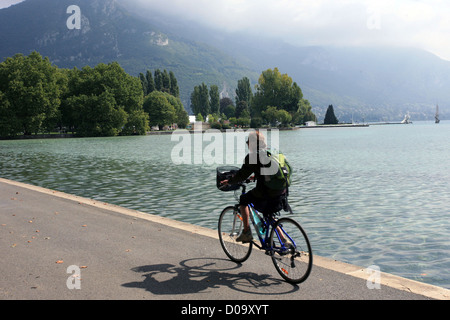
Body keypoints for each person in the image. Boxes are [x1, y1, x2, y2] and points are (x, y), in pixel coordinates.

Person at [220, 131, 287, 243]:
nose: (247, 145)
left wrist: (229, 181)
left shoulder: (252, 156)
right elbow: (268, 172)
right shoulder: (272, 152)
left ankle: (246, 232)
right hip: (282, 191)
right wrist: (254, 177)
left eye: (248, 142)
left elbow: (241, 175)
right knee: (268, 214)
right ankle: (284, 240)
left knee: (244, 199)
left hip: (267, 193)